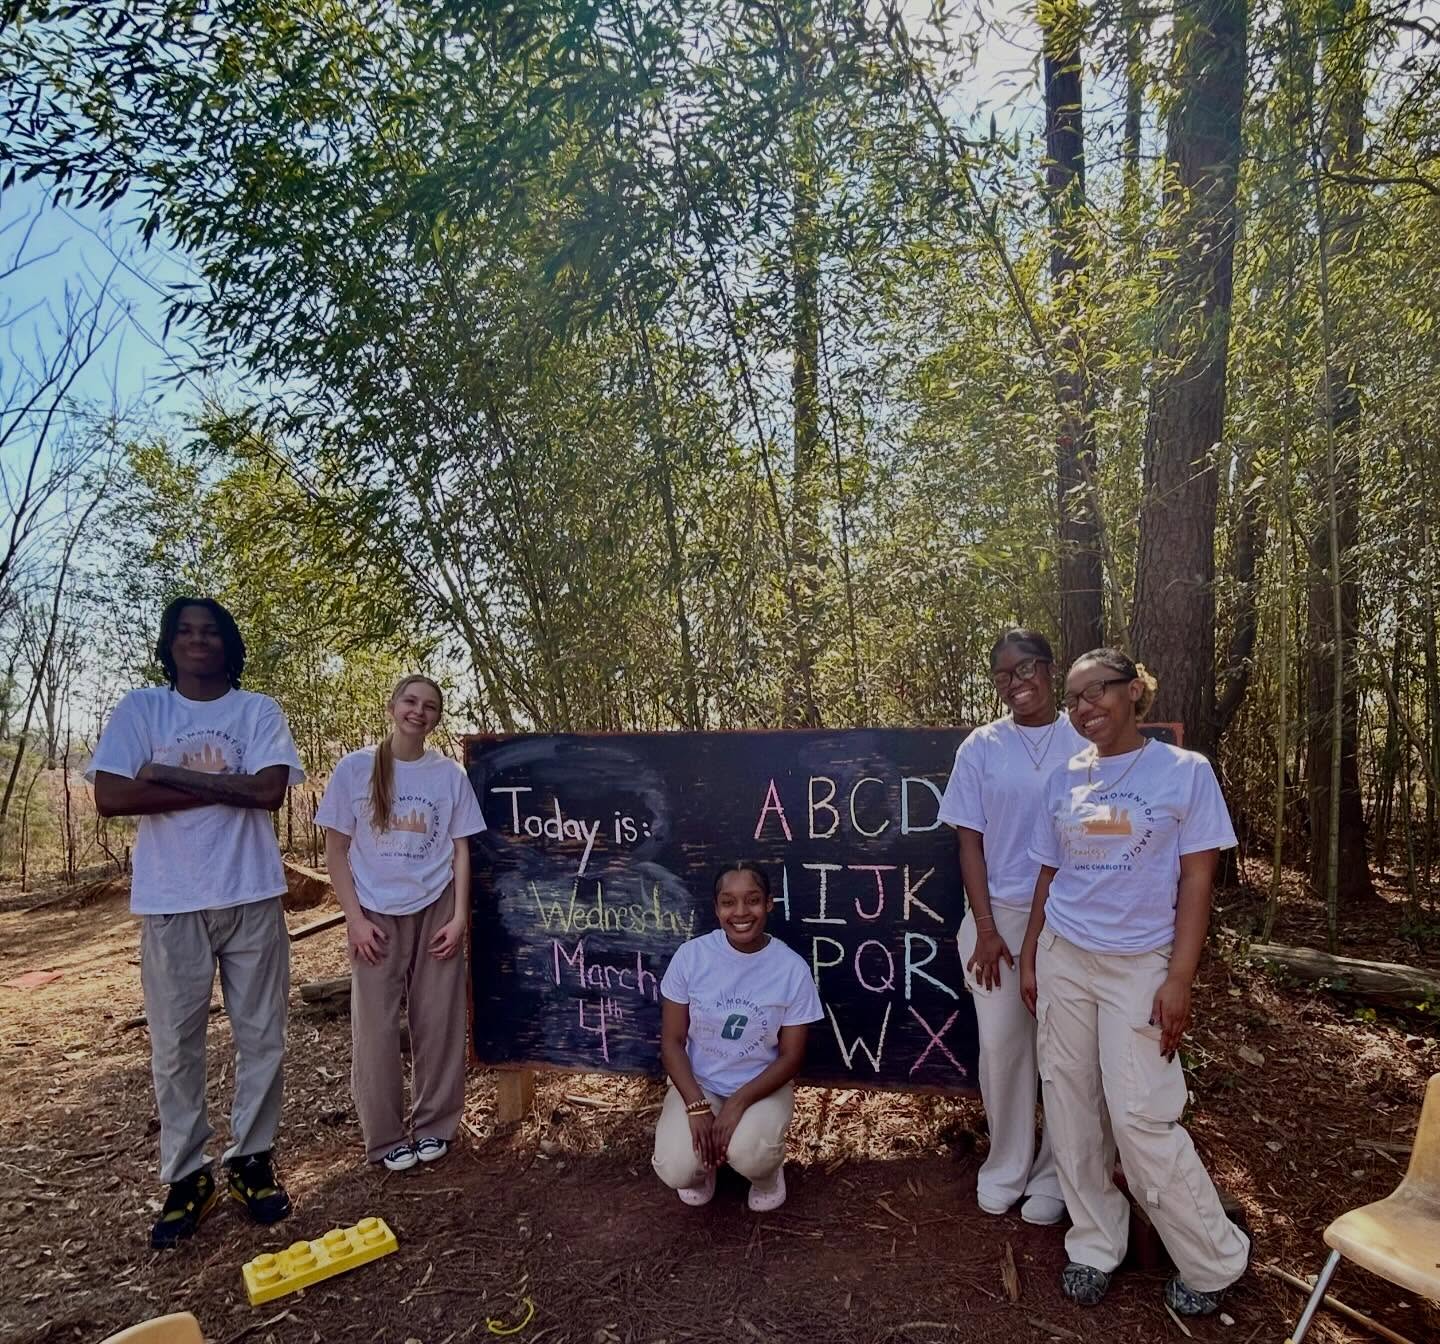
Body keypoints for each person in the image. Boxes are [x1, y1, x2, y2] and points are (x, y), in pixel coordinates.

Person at [1019, 648, 1252, 1317]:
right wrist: (1033, 954)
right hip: (1066, 956)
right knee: (1069, 1104)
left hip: (1139, 964)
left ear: (1134, 693)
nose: (1086, 707)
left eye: (1099, 692)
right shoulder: (1065, 777)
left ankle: (1213, 1259)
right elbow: (1048, 872)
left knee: (1142, 1116)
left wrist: (1180, 978)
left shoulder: (1184, 772)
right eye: (1074, 697)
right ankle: (1095, 1242)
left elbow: (1198, 881)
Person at [86, 597, 304, 1248]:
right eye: (186, 632)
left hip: (250, 892)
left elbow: (269, 791)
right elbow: (110, 796)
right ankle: (187, 1175)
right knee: (176, 1046)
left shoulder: (256, 710)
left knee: (263, 1035)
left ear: (228, 644)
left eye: (211, 632)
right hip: (171, 899)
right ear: (170, 643)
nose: (199, 641)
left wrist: (167, 775)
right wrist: (222, 784)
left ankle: (251, 1158)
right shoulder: (142, 710)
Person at [938, 628, 1084, 1224]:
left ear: (1051, 669)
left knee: (1064, 1052)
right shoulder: (981, 747)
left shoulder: (1087, 737)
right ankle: (1007, 1165)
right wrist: (987, 924)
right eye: (1002, 676)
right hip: (997, 917)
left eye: (1025, 670)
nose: (1016, 684)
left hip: (1070, 919)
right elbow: (968, 841)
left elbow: (1102, 832)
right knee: (1002, 1048)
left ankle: (1055, 1175)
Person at [315, 675, 484, 1172]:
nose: (419, 711)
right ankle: (385, 1137)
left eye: (430, 706)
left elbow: (461, 849)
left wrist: (459, 918)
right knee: (376, 1028)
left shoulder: (448, 775)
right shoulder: (355, 769)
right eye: (410, 701)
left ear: (437, 716)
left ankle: (435, 1125)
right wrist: (354, 920)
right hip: (374, 912)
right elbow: (336, 849)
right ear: (392, 706)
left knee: (438, 1022)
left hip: (435, 907)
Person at [652, 862, 823, 1211]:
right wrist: (697, 1106)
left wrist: (738, 1102)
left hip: (761, 1088)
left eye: (753, 900)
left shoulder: (791, 969)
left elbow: (792, 1056)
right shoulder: (692, 957)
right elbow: (672, 1042)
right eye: (728, 902)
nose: (741, 912)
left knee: (751, 1153)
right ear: (716, 908)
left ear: (770, 904)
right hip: (700, 1085)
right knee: (676, 1167)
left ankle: (766, 1176)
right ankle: (705, 1168)